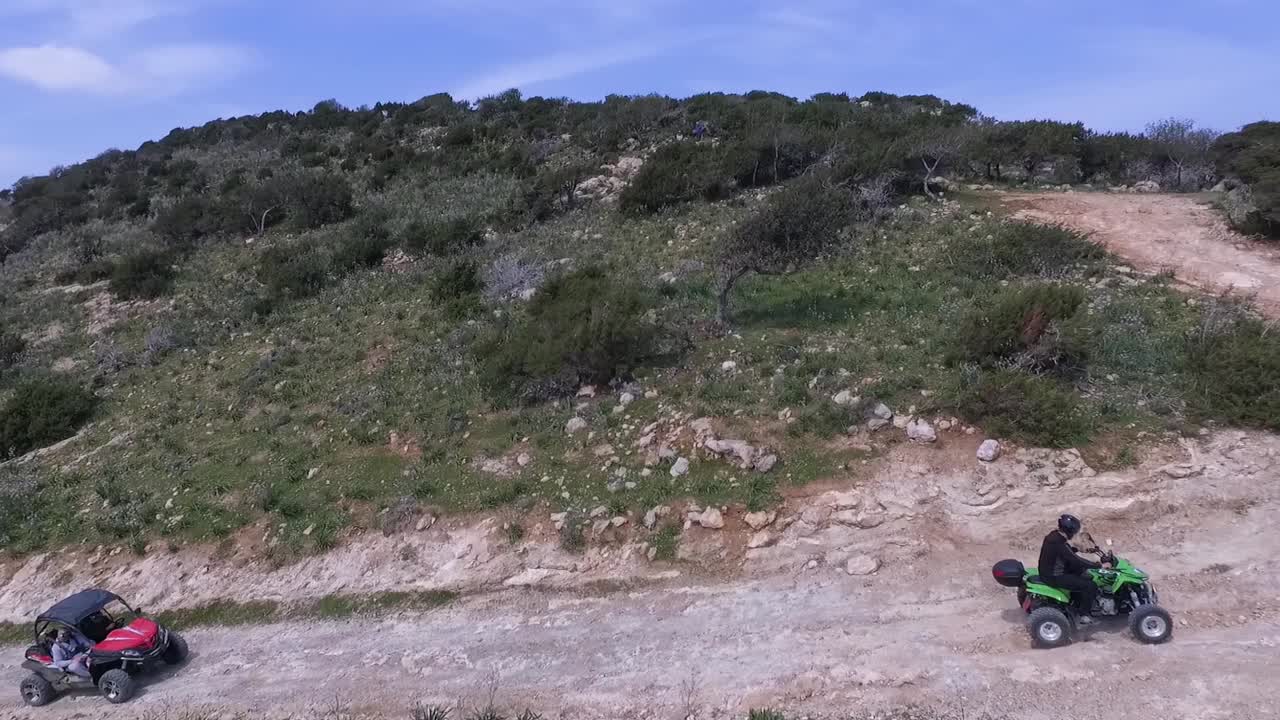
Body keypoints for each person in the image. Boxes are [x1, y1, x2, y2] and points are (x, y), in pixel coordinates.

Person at [1038, 514, 1110, 624]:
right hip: (1054, 576)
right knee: (1090, 585)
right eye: (1075, 531)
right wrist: (1099, 566)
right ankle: (1084, 614)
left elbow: (1064, 553)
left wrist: (1078, 549)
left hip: (1048, 571)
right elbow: (1075, 560)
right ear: (1069, 531)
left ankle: (1077, 601)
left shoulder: (1054, 536)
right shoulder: (1059, 543)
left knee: (1083, 574)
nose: (1075, 533)